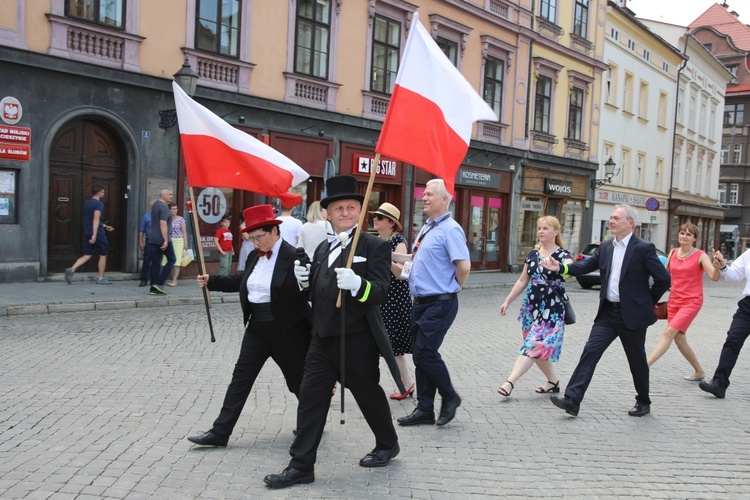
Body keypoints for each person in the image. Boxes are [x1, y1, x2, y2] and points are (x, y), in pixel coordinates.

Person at [263, 175, 401, 489]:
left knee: (368, 396)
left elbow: (379, 291)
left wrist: (359, 286)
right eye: (338, 208)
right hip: (322, 338)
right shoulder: (324, 247)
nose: (345, 213)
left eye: (351, 207)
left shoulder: (374, 246)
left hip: (357, 341)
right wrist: (304, 281)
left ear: (360, 211)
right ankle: (301, 466)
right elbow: (316, 293)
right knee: (311, 398)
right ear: (329, 213)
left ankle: (387, 443)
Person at [187, 204, 312, 447]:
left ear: (275, 231)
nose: (256, 243)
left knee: (297, 381)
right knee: (240, 378)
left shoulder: (295, 256)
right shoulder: (256, 255)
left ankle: (310, 423)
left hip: (287, 329)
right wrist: (212, 281)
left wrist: (305, 282)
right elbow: (242, 281)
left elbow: (309, 289)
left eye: (259, 237)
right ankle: (220, 432)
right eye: (252, 238)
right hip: (257, 328)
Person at [541, 204, 671, 417]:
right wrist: (561, 268)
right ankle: (572, 399)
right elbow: (585, 266)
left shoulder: (643, 248)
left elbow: (663, 279)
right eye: (610, 217)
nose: (611, 221)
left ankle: (643, 401)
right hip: (608, 313)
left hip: (632, 316)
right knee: (590, 352)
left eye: (616, 218)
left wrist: (646, 303)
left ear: (630, 223)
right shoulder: (606, 246)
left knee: (636, 360)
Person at [396, 178, 470, 427]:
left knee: (425, 353)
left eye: (429, 194)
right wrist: (383, 252)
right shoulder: (428, 227)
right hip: (421, 302)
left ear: (444, 199)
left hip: (439, 302)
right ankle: (425, 409)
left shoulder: (451, 229)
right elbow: (412, 259)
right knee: (420, 355)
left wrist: (456, 287)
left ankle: (449, 396)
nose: (424, 198)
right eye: (423, 194)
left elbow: (464, 266)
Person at [497, 216, 574, 397]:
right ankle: (553, 381)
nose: (540, 231)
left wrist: (560, 267)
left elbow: (569, 270)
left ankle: (509, 382)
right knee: (536, 347)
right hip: (531, 307)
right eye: (539, 228)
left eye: (545, 228)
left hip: (552, 309)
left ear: (556, 232)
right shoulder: (533, 254)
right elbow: (523, 280)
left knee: (533, 345)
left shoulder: (563, 255)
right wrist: (507, 301)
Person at [647, 223, 720, 379]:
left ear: (694, 238)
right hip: (674, 301)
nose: (684, 236)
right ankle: (699, 371)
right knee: (679, 339)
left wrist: (717, 265)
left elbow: (714, 277)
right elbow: (664, 278)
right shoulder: (673, 253)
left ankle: (644, 366)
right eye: (681, 233)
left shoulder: (700, 255)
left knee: (669, 333)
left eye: (688, 234)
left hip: (692, 301)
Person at [371, 202, 415, 400]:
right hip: (379, 297)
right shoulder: (375, 239)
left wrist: (387, 261)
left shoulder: (398, 241)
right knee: (381, 345)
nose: (375, 219)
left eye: (379, 217)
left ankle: (406, 384)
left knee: (393, 347)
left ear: (390, 222)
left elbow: (404, 274)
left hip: (395, 300)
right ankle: (405, 384)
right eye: (375, 216)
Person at [697, 247, 750, 399]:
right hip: (747, 307)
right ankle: (719, 383)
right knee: (732, 340)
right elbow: (734, 276)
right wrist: (723, 267)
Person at [65, 185, 114, 285]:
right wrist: (95, 235)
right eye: (103, 192)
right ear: (99, 192)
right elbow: (95, 219)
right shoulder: (99, 204)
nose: (104, 194)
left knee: (87, 254)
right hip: (97, 233)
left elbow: (92, 219)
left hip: (87, 231)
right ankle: (100, 278)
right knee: (103, 254)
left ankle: (72, 269)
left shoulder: (87, 204)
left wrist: (104, 225)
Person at [146, 188, 176, 295]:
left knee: (155, 263)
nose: (171, 196)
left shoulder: (155, 204)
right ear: (163, 195)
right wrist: (166, 240)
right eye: (170, 194)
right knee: (172, 259)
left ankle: (153, 288)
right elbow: (162, 224)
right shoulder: (163, 207)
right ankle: (159, 282)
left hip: (152, 238)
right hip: (161, 239)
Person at [165, 202, 188, 286]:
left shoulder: (181, 219)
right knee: (170, 260)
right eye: (173, 209)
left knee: (177, 261)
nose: (175, 210)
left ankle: (175, 280)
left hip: (178, 241)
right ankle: (172, 279)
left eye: (176, 209)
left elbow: (184, 231)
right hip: (169, 240)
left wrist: (185, 243)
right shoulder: (167, 219)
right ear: (169, 210)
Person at [138, 203, 154, 287]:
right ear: (151, 206)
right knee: (146, 260)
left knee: (157, 261)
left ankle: (155, 280)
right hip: (149, 240)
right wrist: (140, 241)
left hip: (159, 240)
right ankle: (143, 279)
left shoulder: (161, 216)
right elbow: (141, 229)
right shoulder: (146, 216)